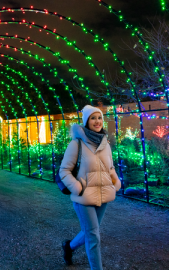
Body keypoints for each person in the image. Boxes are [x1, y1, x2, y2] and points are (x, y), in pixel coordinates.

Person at [59, 105, 121, 269]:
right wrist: (76, 187)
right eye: (93, 118)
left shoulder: (105, 143)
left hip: (104, 194)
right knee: (94, 236)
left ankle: (69, 246)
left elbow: (110, 168)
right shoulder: (77, 143)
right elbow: (64, 170)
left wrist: (115, 182)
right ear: (86, 121)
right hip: (84, 197)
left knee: (91, 231)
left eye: (99, 117)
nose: (97, 121)